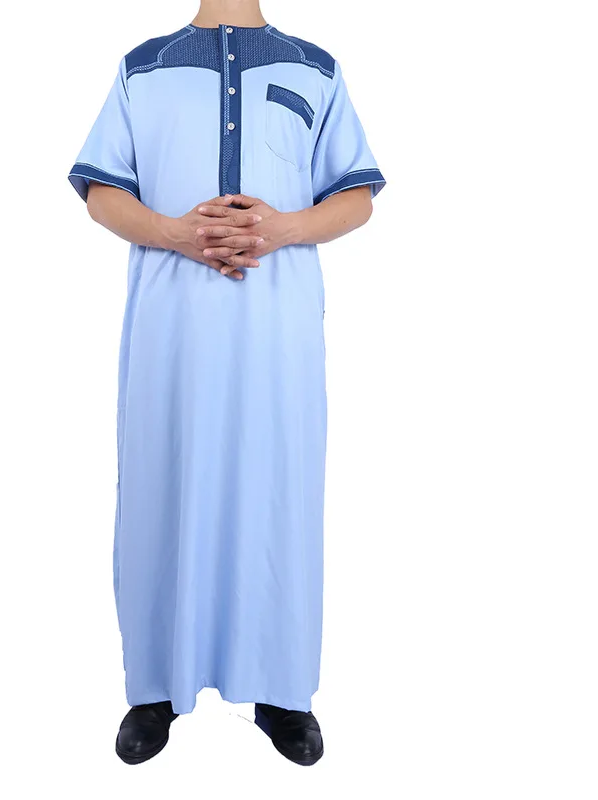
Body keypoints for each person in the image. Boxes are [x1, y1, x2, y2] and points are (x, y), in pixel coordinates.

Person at [68, 0, 385, 766]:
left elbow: (357, 196)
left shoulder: (315, 68)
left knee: (277, 495)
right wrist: (177, 233)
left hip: (277, 334)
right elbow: (101, 191)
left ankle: (282, 690)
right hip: (172, 330)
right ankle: (155, 688)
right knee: (162, 488)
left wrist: (283, 227)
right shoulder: (143, 68)